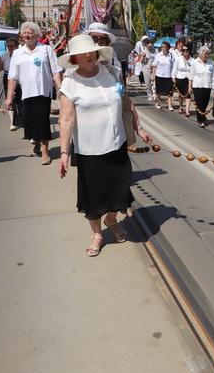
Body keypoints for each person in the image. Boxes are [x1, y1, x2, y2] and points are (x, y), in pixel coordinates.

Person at [58, 34, 152, 257]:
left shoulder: (111, 74)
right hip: (90, 150)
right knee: (94, 196)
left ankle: (111, 220)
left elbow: (126, 103)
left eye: (91, 50)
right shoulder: (70, 84)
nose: (88, 55)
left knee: (120, 191)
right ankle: (97, 234)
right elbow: (66, 120)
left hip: (116, 145)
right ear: (74, 59)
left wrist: (139, 128)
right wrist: (64, 153)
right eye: (82, 53)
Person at [5, 21, 63, 165]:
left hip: (43, 92)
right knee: (29, 121)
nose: (27, 35)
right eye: (25, 32)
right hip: (26, 93)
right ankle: (36, 143)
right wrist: (9, 96)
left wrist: (60, 88)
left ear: (37, 35)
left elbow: (56, 70)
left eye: (30, 32)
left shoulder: (46, 50)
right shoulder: (18, 53)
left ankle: (45, 151)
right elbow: (12, 77)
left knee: (42, 120)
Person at [0, 37, 23, 131]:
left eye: (12, 46)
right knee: (10, 98)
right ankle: (12, 122)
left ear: (17, 46)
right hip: (7, 77)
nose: (9, 48)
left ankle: (22, 116)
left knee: (20, 98)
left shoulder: (21, 54)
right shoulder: (5, 55)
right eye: (8, 46)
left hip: (19, 77)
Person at [189, 46, 214, 128]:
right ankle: (200, 120)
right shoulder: (195, 63)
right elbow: (191, 76)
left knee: (205, 103)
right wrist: (190, 87)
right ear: (200, 54)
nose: (206, 55)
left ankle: (202, 116)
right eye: (205, 54)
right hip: (197, 86)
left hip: (207, 86)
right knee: (200, 103)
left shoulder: (211, 63)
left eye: (208, 54)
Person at [151, 42, 175, 110]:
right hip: (159, 75)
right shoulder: (158, 55)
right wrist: (153, 76)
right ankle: (158, 102)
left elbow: (174, 66)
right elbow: (155, 66)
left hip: (168, 76)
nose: (163, 48)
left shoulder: (171, 55)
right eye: (162, 46)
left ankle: (170, 105)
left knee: (169, 92)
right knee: (159, 91)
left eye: (164, 47)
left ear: (168, 48)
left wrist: (174, 76)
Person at [172, 44, 193, 116]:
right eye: (183, 50)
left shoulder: (193, 60)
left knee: (188, 94)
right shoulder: (179, 59)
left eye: (187, 50)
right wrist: (173, 77)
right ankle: (180, 106)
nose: (185, 51)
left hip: (189, 79)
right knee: (181, 94)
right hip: (180, 78)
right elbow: (175, 68)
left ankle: (187, 110)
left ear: (189, 51)